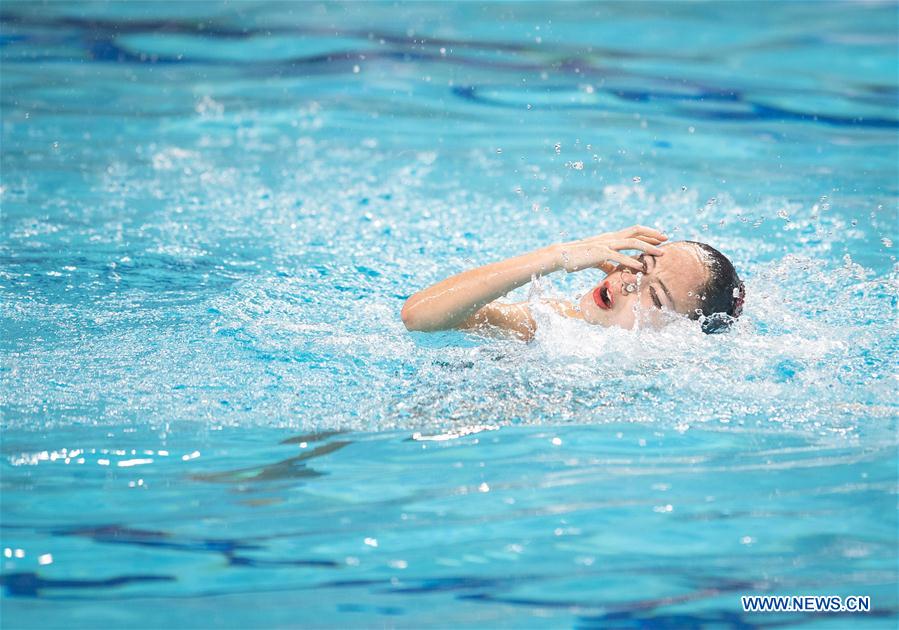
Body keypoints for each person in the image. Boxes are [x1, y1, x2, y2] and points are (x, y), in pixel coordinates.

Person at [401, 225, 744, 341]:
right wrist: (554, 256)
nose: (628, 283)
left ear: (680, 335)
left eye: (654, 297)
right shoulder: (554, 325)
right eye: (639, 264)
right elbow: (417, 317)